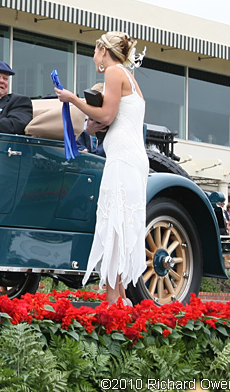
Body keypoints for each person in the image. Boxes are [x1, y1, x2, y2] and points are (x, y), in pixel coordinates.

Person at [55, 31, 147, 305]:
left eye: (95, 51)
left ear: (102, 51)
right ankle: (117, 296)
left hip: (123, 160)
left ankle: (112, 298)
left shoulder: (114, 72)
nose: (94, 57)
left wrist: (73, 100)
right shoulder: (128, 76)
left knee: (112, 224)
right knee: (117, 225)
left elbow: (106, 114)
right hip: (131, 158)